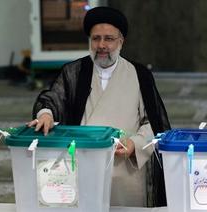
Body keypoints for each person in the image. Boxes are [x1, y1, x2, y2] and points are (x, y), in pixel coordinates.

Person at [27, 6, 170, 207]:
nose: (101, 45)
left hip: (127, 169)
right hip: (83, 163)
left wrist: (134, 144)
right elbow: (52, 99)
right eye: (96, 39)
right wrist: (46, 114)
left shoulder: (139, 75)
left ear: (121, 41)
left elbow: (153, 122)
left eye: (108, 39)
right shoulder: (74, 71)